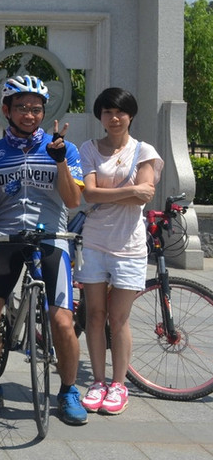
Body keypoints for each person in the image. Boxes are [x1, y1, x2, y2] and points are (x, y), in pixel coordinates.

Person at [0, 74, 87, 425]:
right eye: (21, 108)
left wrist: (61, 159)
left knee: (62, 321)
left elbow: (73, 199)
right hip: (4, 238)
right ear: (6, 110)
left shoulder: (63, 148)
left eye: (36, 109)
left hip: (51, 239)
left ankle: (68, 390)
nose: (30, 115)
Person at [76, 87, 162, 416]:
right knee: (94, 316)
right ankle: (98, 381)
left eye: (120, 112)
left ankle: (119, 384)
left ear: (130, 115)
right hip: (95, 242)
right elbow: (91, 195)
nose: (114, 118)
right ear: (100, 116)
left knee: (119, 318)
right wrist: (130, 190)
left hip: (129, 246)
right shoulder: (89, 148)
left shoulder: (145, 151)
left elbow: (145, 196)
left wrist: (110, 192)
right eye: (107, 112)